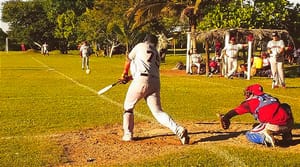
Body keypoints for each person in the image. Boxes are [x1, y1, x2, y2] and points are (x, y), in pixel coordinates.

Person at [119, 34, 190, 145]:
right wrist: (129, 78)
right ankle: (178, 129)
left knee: (128, 107)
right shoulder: (156, 53)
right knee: (158, 112)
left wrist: (124, 73)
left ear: (145, 40)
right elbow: (148, 71)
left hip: (140, 81)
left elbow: (128, 59)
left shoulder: (140, 46)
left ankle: (128, 134)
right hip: (155, 82)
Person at [219, 84, 294, 147]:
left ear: (252, 93)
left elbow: (235, 111)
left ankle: (266, 138)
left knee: (249, 134)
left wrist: (226, 117)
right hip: (289, 124)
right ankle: (287, 134)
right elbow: (285, 107)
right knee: (284, 107)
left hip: (275, 125)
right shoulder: (272, 97)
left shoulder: (250, 102)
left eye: (248, 93)